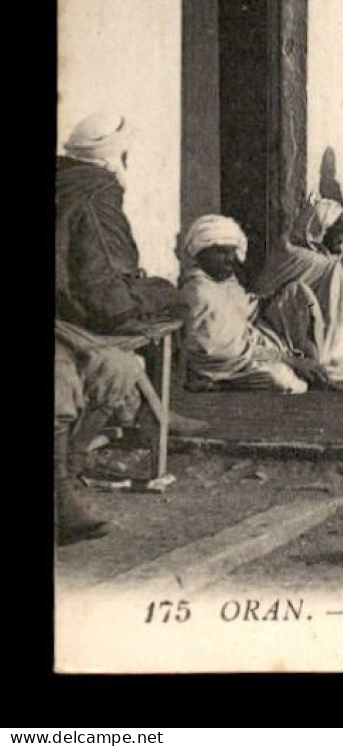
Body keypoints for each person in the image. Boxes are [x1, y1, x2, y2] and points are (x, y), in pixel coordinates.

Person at [55, 112, 207, 543]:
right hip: (75, 312)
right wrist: (128, 312)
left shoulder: (66, 181)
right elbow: (100, 272)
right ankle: (69, 477)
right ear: (114, 156)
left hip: (65, 308)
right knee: (137, 344)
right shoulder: (97, 191)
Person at [179, 215, 343, 394]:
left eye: (232, 251)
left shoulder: (224, 280)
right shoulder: (201, 292)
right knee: (287, 382)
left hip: (256, 340)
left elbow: (247, 309)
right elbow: (229, 353)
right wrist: (288, 359)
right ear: (201, 252)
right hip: (230, 364)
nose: (231, 259)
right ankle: (216, 383)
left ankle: (312, 365)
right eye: (222, 252)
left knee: (298, 291)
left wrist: (277, 300)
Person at [254, 196, 343, 383]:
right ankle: (314, 364)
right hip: (276, 329)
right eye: (337, 232)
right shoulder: (298, 255)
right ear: (318, 229)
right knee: (299, 292)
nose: (342, 242)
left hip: (306, 333)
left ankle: (313, 363)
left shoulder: (321, 258)